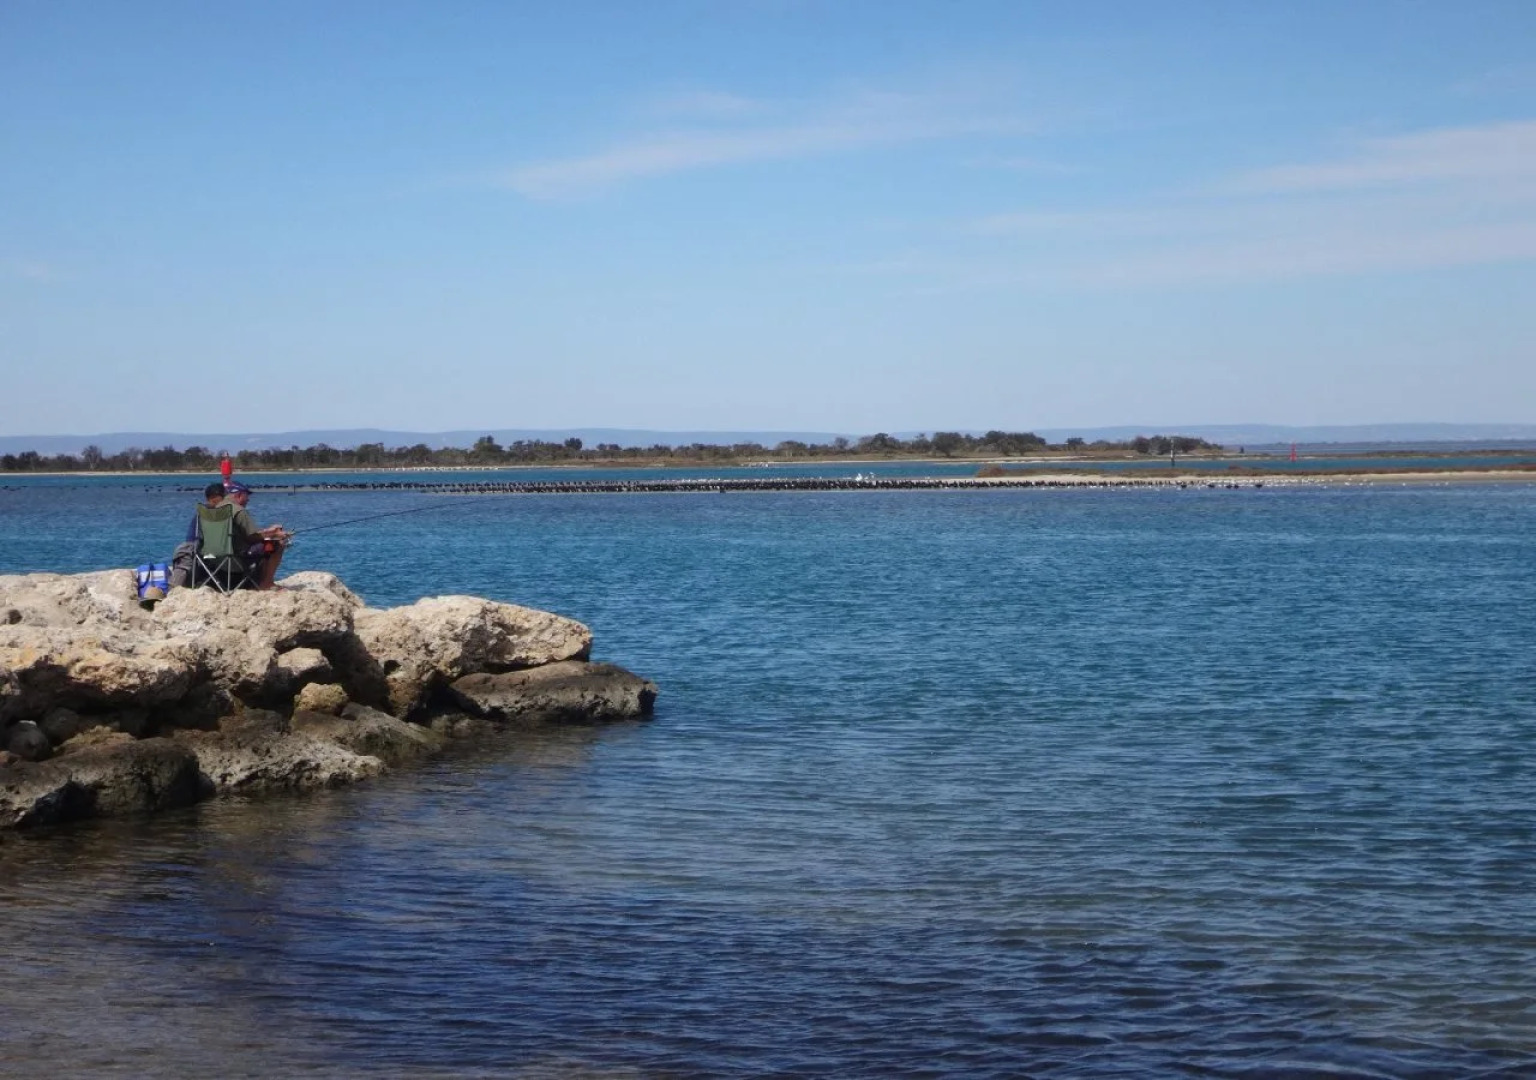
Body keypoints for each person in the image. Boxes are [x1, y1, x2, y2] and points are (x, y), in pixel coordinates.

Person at [224, 481, 291, 590]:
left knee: (268, 541)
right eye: (247, 496)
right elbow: (252, 537)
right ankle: (266, 583)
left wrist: (269, 531)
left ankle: (255, 581)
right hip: (237, 556)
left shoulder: (214, 508)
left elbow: (244, 534)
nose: (248, 499)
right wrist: (275, 535)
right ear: (239, 495)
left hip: (214, 557)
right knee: (277, 543)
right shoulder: (239, 511)